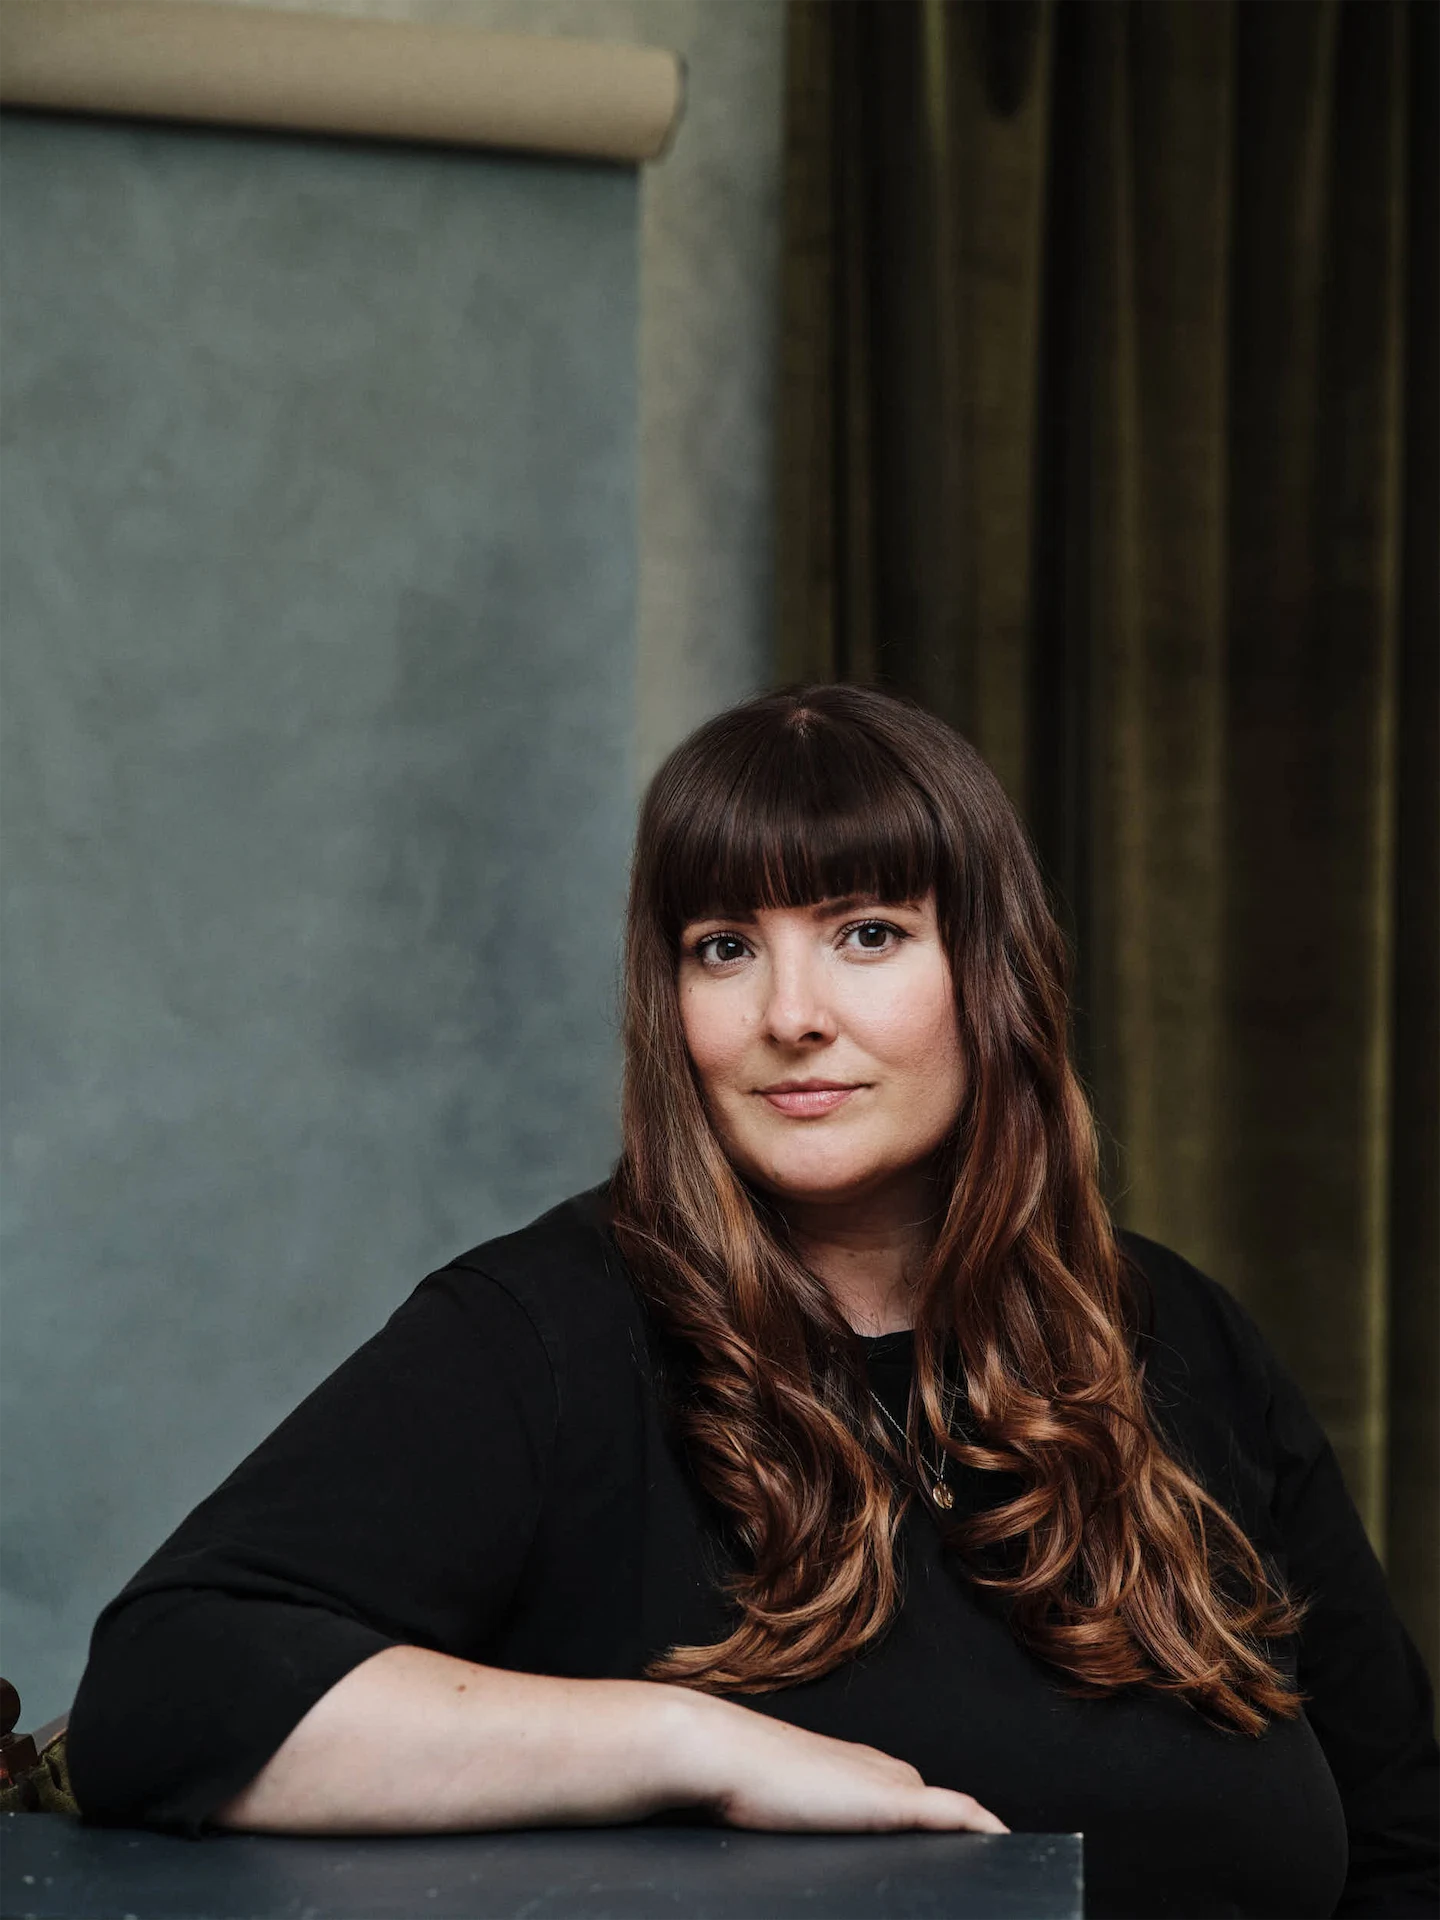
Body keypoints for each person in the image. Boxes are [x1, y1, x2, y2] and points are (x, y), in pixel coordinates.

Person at [68, 686, 1440, 1918]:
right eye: (724, 946)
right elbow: (165, 1691)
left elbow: (1400, 1846)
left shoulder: (1176, 1336)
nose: (792, 1014)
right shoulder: (544, 1337)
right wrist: (692, 1742)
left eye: (867, 933)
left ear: (993, 971)